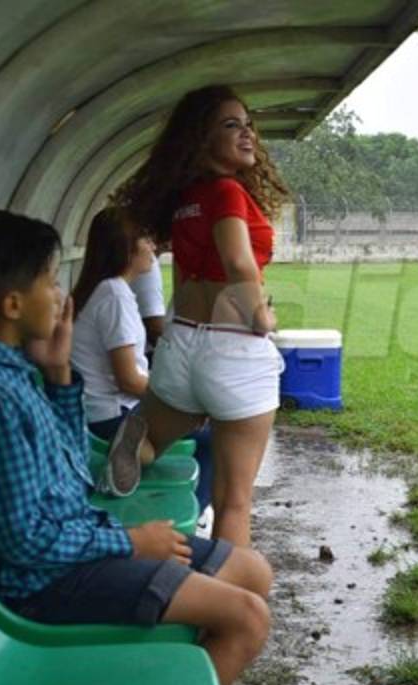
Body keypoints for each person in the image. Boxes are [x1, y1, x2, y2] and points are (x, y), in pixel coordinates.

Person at [0, 208, 273, 685]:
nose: (60, 295)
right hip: (46, 584)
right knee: (246, 618)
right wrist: (130, 543)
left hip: (78, 551)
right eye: (49, 282)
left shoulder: (12, 374)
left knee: (252, 572)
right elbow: (24, 543)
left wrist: (59, 376)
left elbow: (73, 479)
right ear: (11, 304)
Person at [113, 84, 289, 547]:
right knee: (233, 500)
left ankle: (140, 437)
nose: (247, 133)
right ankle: (227, 614)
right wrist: (260, 317)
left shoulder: (186, 198)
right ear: (200, 139)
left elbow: (189, 274)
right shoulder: (228, 191)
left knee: (153, 440)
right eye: (230, 125)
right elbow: (238, 263)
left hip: (183, 344)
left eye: (248, 124)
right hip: (233, 350)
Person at [70, 207, 214, 510]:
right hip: (113, 414)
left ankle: (138, 452)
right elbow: (128, 378)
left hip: (101, 409)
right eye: (145, 240)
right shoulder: (114, 295)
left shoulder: (106, 289)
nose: (153, 247)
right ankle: (191, 512)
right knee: (214, 435)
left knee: (198, 414)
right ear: (126, 248)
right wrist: (178, 399)